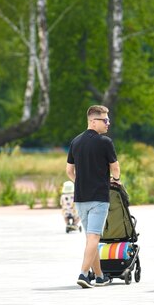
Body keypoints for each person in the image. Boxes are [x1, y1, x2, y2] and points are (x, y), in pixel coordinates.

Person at [66, 105, 121, 289]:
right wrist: (116, 180)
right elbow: (115, 167)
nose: (108, 123)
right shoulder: (105, 142)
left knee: (91, 238)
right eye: (105, 120)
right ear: (93, 121)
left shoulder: (75, 142)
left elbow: (69, 170)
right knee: (94, 237)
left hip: (80, 197)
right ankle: (83, 273)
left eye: (108, 119)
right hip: (99, 197)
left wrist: (79, 182)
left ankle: (99, 276)